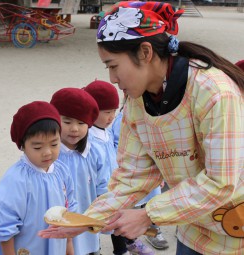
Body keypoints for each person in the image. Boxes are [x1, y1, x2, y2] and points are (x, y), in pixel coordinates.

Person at [39, 2, 244, 255]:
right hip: (192, 227)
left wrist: (147, 214)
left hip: (236, 232)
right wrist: (86, 220)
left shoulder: (214, 92)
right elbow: (132, 175)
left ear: (145, 52)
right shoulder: (137, 100)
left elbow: (220, 183)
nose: (112, 79)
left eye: (113, 66)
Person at [0, 101, 77, 255]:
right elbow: (4, 226)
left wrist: (69, 245)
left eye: (54, 144)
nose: (47, 152)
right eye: (37, 147)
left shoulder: (62, 171)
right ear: (22, 145)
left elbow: (69, 210)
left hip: (57, 246)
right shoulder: (16, 179)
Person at [84, 80, 155, 255]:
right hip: (99, 191)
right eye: (107, 112)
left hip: (114, 186)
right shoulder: (89, 139)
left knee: (118, 219)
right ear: (92, 111)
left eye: (114, 111)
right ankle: (98, 250)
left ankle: (123, 248)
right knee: (99, 223)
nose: (111, 117)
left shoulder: (105, 131)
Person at [50, 88, 110, 255]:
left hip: (87, 223)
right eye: (67, 122)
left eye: (81, 123)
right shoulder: (49, 155)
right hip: (58, 224)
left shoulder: (96, 151)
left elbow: (103, 187)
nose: (74, 129)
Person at [111, 95, 169, 252]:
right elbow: (116, 145)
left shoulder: (154, 116)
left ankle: (154, 231)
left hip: (151, 170)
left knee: (154, 201)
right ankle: (133, 237)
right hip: (133, 171)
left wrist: (161, 172)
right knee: (132, 204)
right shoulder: (121, 120)